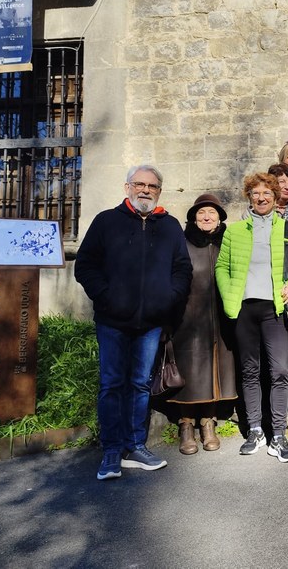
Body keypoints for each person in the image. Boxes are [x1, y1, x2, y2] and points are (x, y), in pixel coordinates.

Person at [75, 165, 193, 480]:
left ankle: (135, 445)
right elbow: (85, 265)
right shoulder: (106, 221)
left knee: (140, 384)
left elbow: (182, 268)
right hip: (112, 320)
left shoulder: (169, 226)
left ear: (159, 191)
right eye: (139, 184)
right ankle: (112, 450)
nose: (145, 190)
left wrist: (170, 298)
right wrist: (106, 295)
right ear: (127, 187)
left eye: (152, 186)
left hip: (151, 323)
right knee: (112, 384)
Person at [215, 173, 288, 463]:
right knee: (250, 371)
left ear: (276, 197)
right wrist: (231, 297)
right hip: (244, 309)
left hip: (275, 309)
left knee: (279, 370)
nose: (262, 198)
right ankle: (255, 429)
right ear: (249, 197)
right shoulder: (235, 231)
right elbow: (221, 268)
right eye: (256, 194)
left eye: (267, 193)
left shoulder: (287, 228)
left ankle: (278, 434)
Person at [168, 193, 238, 455]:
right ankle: (186, 424)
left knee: (215, 369)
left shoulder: (227, 241)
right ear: (193, 218)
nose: (207, 217)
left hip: (221, 319)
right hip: (188, 318)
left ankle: (208, 422)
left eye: (212, 213)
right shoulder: (182, 243)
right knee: (189, 370)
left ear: (220, 217)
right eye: (201, 213)